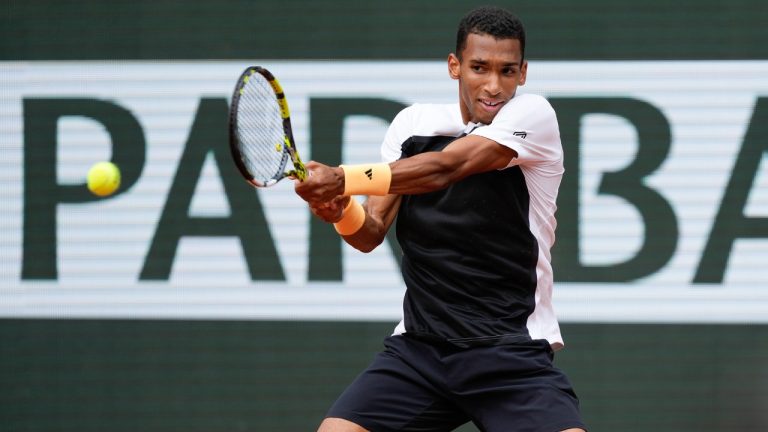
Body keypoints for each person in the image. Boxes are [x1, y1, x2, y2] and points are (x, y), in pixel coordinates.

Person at [295, 6, 586, 432]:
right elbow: (370, 233)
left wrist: (342, 179)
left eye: (507, 71)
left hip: (509, 353)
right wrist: (341, 211)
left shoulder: (533, 115)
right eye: (479, 68)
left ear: (523, 73)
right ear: (455, 66)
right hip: (420, 352)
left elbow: (445, 168)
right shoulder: (413, 124)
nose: (494, 85)